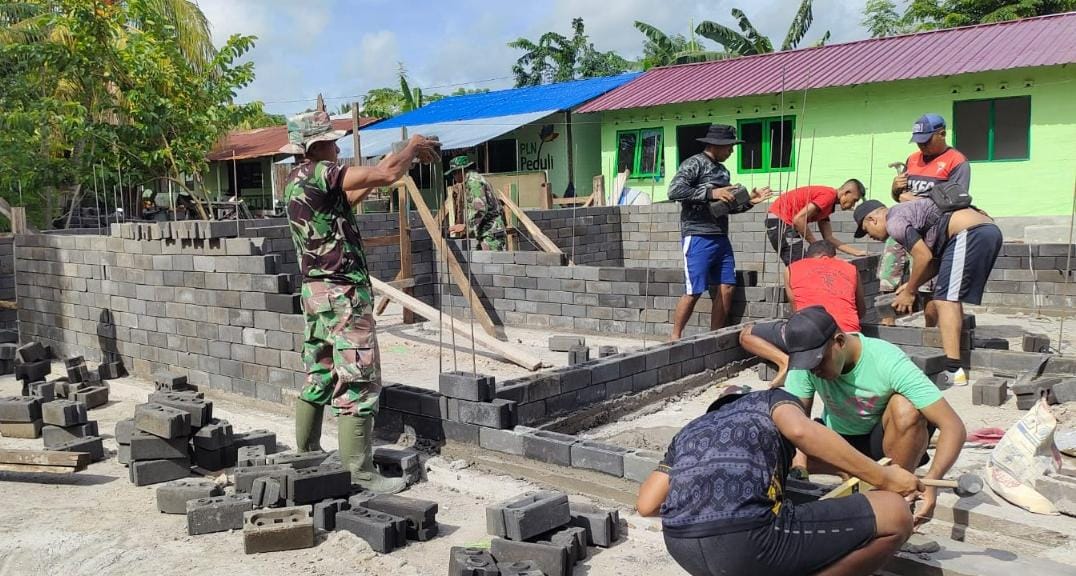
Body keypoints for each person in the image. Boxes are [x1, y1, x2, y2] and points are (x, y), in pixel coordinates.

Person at [281, 110, 440, 494]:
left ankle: (305, 451)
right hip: (342, 294)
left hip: (316, 294)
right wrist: (414, 147)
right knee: (358, 375)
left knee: (319, 370)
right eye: (332, 142)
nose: (337, 147)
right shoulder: (322, 172)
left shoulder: (295, 182)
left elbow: (352, 195)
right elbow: (385, 175)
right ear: (317, 146)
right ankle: (359, 470)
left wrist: (402, 156)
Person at [637, 385, 920, 576]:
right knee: (895, 514)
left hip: (682, 547)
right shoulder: (768, 400)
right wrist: (885, 477)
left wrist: (703, 508)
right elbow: (800, 430)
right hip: (749, 541)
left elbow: (646, 505)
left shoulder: (691, 430)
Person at [779, 306, 966, 524]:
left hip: (883, 447)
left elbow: (953, 426)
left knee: (906, 408)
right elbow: (794, 421)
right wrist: (799, 469)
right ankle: (850, 471)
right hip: (839, 442)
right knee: (770, 447)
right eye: (808, 366)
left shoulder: (886, 361)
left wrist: (933, 479)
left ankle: (896, 492)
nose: (814, 371)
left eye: (819, 363)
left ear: (839, 342)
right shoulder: (808, 365)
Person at [854, 192, 1002, 387]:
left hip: (971, 232)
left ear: (872, 219)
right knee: (947, 296)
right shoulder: (910, 215)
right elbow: (932, 263)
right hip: (983, 231)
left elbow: (923, 257)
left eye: (867, 230)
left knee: (945, 300)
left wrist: (909, 292)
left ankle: (953, 371)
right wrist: (911, 285)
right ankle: (954, 366)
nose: (871, 237)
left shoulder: (894, 222)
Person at [668, 124, 772, 339]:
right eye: (729, 147)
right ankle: (674, 338)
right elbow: (674, 190)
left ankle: (714, 336)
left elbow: (727, 207)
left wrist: (750, 201)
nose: (731, 152)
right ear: (716, 145)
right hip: (698, 234)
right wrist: (712, 192)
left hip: (720, 235)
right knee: (694, 289)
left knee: (727, 287)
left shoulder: (723, 171)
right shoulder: (694, 163)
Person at [877, 114, 971, 320]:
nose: (922, 147)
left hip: (931, 230)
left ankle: (930, 335)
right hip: (903, 226)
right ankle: (887, 328)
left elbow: (957, 201)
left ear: (942, 134)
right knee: (888, 277)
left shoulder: (957, 161)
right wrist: (895, 189)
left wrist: (917, 202)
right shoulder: (912, 159)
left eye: (926, 141)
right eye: (918, 142)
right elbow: (899, 195)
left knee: (929, 286)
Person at [741, 241, 865, 386]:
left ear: (808, 257)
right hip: (848, 336)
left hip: (808, 336)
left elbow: (799, 317)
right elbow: (861, 311)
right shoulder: (850, 269)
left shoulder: (792, 269)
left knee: (746, 334)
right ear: (831, 256)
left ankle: (784, 361)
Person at [765, 180, 867, 266]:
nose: (853, 205)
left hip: (780, 220)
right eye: (854, 200)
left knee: (801, 263)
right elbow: (799, 220)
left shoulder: (828, 206)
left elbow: (829, 238)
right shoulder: (828, 196)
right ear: (846, 192)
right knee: (800, 265)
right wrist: (816, 246)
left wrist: (856, 252)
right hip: (779, 220)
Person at [446, 155, 508, 251]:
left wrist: (465, 226)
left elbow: (480, 209)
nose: (453, 177)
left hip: (490, 231)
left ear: (460, 171)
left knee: (491, 264)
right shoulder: (476, 179)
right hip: (489, 231)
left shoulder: (473, 182)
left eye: (454, 174)